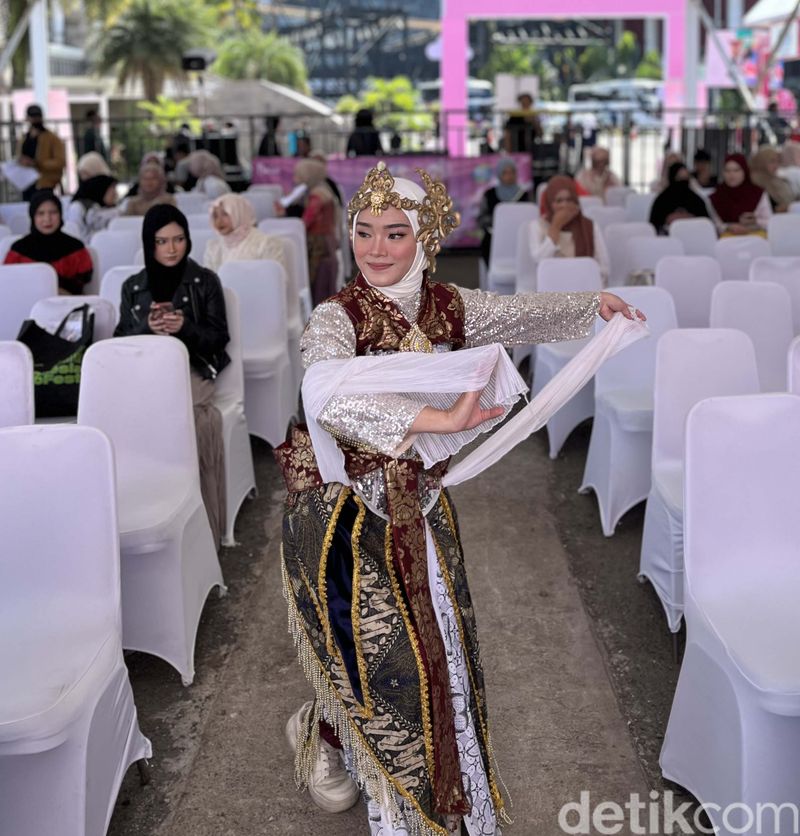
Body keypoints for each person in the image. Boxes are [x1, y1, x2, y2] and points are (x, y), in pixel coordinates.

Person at [278, 161, 639, 834]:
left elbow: (512, 313)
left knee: (436, 654)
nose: (376, 249)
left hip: (417, 503)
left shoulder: (444, 305)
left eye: (395, 234)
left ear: (424, 241)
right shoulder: (337, 317)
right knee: (382, 664)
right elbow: (327, 393)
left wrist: (594, 305)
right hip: (340, 517)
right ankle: (335, 738)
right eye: (364, 232)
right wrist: (437, 422)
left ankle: (339, 732)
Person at [114, 204, 229, 547]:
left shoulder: (205, 280)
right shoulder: (133, 287)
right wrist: (145, 327)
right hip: (144, 376)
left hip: (192, 369)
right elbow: (120, 342)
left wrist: (185, 328)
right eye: (162, 241)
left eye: (178, 239)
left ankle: (204, 528)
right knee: (130, 420)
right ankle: (144, 513)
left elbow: (219, 338)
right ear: (150, 244)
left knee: (188, 419)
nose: (172, 248)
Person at [4, 189, 93, 295]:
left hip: (67, 305)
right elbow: (9, 283)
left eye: (53, 212)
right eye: (40, 213)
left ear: (60, 215)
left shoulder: (76, 248)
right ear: (33, 217)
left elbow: (82, 282)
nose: (47, 219)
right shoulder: (18, 250)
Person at [530, 175, 610, 283]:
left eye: (569, 200)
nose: (565, 205)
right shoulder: (537, 226)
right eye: (559, 201)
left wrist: (583, 276)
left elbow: (604, 267)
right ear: (550, 202)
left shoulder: (589, 226)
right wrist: (556, 226)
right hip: (552, 287)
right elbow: (539, 262)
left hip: (584, 286)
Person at [291, 158, 340, 305]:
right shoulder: (323, 189)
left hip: (318, 246)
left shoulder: (317, 195)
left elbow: (306, 221)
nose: (295, 179)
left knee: (319, 282)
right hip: (326, 241)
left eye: (298, 175)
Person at [204, 193, 288, 274]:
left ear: (239, 213)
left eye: (225, 214)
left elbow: (275, 281)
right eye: (215, 216)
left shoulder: (267, 243)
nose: (219, 221)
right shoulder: (213, 247)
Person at [476, 158, 532, 265]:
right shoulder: (489, 194)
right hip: (494, 237)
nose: (509, 176)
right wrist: (495, 224)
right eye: (505, 173)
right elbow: (481, 218)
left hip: (517, 237)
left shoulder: (524, 195)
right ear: (499, 175)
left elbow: (529, 218)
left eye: (512, 172)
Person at [709, 153, 772, 236]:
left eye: (736, 170)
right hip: (727, 241)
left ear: (744, 172)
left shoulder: (758, 193)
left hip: (755, 238)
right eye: (727, 170)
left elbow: (770, 222)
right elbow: (714, 224)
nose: (731, 175)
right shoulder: (716, 196)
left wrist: (755, 221)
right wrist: (729, 227)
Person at [16, 104, 66, 199]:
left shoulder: (52, 138)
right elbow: (20, 155)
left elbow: (60, 162)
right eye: (33, 117)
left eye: (37, 116)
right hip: (26, 182)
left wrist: (37, 163)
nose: (35, 119)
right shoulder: (24, 137)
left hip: (44, 183)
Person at [649, 162, 710, 234]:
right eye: (680, 178)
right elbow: (654, 227)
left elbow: (707, 226)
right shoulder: (661, 201)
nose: (683, 182)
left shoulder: (697, 201)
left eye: (686, 178)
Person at [66, 174, 119, 239]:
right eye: (112, 189)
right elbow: (75, 235)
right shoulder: (78, 207)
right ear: (101, 189)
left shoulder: (104, 209)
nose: (116, 194)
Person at [749, 146, 794, 213]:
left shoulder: (780, 180)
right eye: (772, 161)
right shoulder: (754, 182)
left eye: (778, 161)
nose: (776, 165)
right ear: (762, 162)